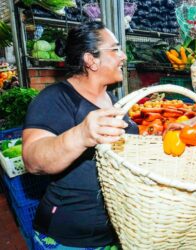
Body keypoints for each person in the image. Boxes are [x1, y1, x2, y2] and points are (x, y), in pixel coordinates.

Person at [22, 21, 137, 249]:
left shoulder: (113, 101)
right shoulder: (55, 99)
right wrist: (81, 134)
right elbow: (32, 159)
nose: (123, 56)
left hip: (115, 234)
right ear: (90, 60)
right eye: (114, 49)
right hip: (68, 239)